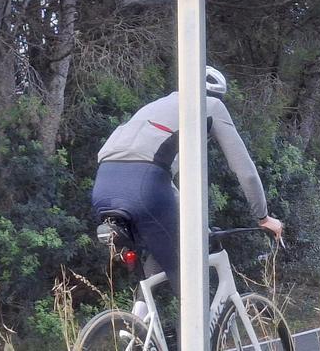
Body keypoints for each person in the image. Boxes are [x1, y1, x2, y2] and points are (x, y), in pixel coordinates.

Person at [91, 66, 284, 281]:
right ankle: (197, 314)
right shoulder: (210, 105)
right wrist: (263, 216)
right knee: (190, 277)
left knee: (165, 246)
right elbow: (245, 171)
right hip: (146, 185)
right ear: (215, 95)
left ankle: (139, 314)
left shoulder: (157, 107)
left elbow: (157, 175)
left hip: (103, 185)